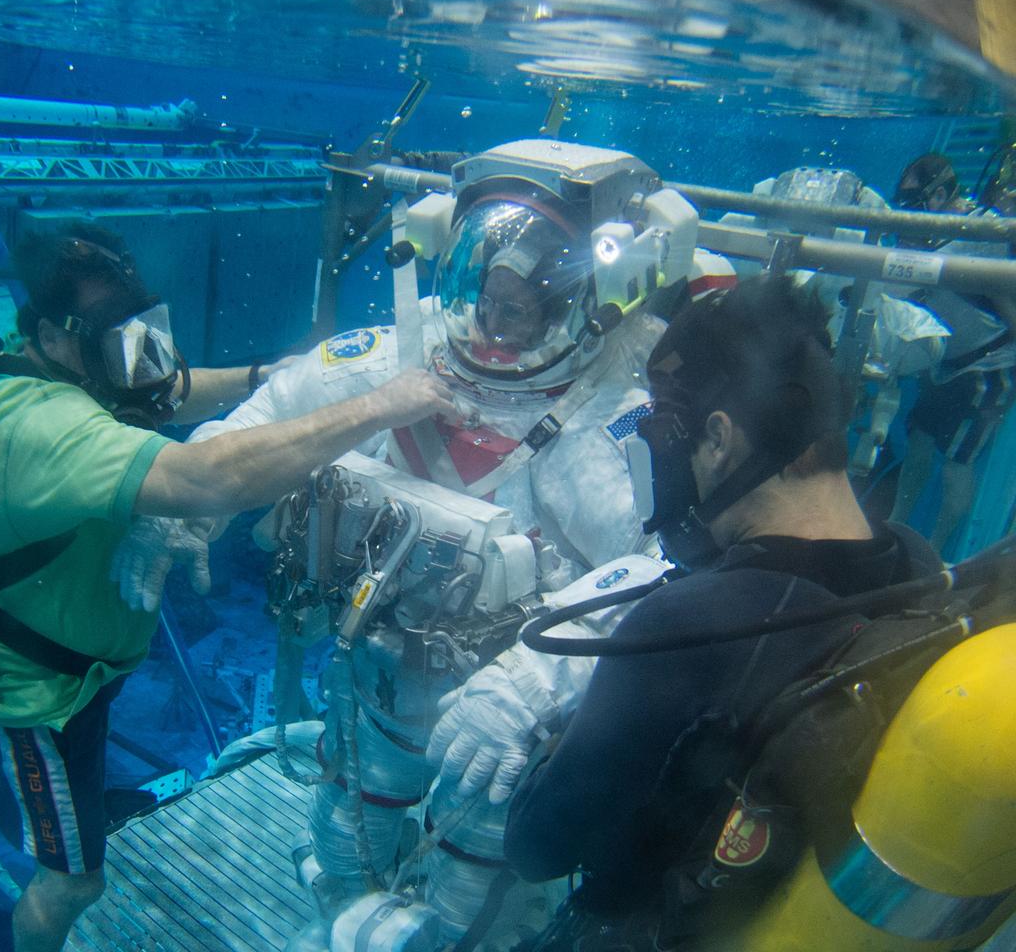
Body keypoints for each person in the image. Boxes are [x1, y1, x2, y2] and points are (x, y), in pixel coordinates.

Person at [148, 140, 734, 944]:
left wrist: (531, 685)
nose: (492, 330)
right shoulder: (400, 357)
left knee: (470, 901)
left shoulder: (611, 422)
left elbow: (671, 570)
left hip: (500, 733)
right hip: (373, 687)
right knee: (345, 846)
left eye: (520, 310)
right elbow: (275, 413)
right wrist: (189, 504)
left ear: (587, 304)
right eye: (484, 299)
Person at [0, 223, 454, 952]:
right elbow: (205, 478)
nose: (139, 356)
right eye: (113, 337)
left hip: (82, 670)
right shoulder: (38, 426)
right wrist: (381, 404)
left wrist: (272, 381)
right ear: (54, 338)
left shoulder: (65, 364)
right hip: (36, 696)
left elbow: (165, 392)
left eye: (141, 329)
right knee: (70, 881)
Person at [503, 274, 942, 949]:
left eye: (662, 431)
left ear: (716, 439)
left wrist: (548, 744)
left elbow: (538, 848)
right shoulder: (920, 569)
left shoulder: (690, 626)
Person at [885, 155, 1016, 552]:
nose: (908, 218)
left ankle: (939, 552)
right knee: (920, 446)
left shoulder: (980, 234)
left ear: (940, 195)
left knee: (957, 462)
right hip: (945, 364)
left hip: (987, 369)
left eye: (914, 204)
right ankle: (896, 531)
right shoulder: (944, 236)